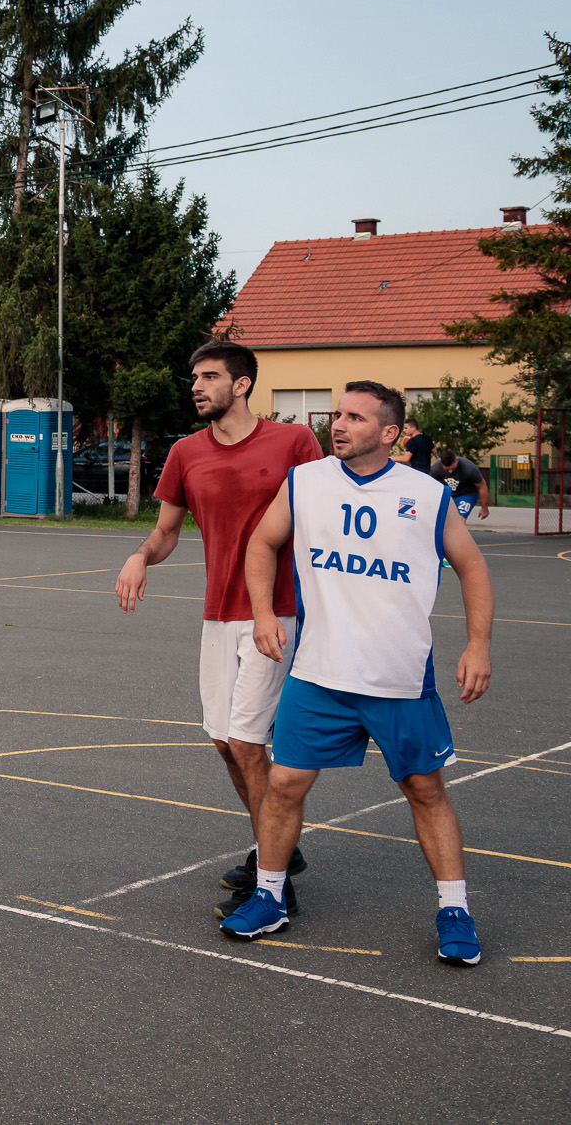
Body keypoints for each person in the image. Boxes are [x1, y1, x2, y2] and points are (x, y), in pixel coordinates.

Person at [224, 380, 494, 967]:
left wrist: (478, 644)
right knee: (284, 786)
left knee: (425, 791)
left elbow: (471, 566)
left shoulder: (424, 494)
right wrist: (266, 611)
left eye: (354, 417)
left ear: (390, 433)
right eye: (335, 414)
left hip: (399, 678)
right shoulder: (306, 482)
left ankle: (454, 909)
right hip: (319, 673)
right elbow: (262, 543)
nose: (337, 425)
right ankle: (270, 896)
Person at [115, 341, 323, 917]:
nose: (197, 386)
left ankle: (274, 885)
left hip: (278, 610)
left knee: (247, 741)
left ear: (243, 384)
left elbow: (324, 517)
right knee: (223, 741)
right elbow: (165, 532)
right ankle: (274, 848)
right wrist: (139, 557)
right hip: (217, 613)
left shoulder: (293, 442)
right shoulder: (185, 452)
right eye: (194, 377)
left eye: (210, 376)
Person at [432, 447, 489, 523]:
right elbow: (433, 487)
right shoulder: (436, 468)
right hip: (447, 494)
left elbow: (482, 487)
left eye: (452, 468)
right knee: (442, 520)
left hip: (467, 494)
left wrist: (484, 508)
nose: (450, 471)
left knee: (459, 521)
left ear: (457, 460)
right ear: (441, 462)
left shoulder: (469, 469)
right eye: (447, 469)